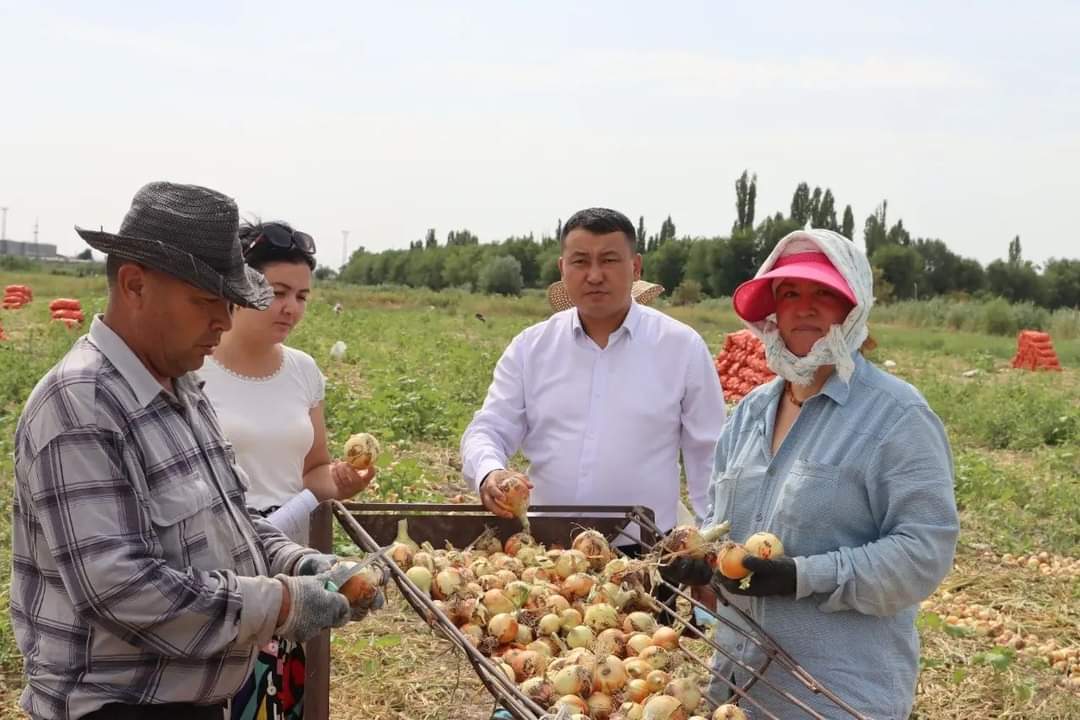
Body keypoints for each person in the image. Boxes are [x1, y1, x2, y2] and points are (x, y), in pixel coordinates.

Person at [10, 182, 382, 720]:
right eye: (208, 301)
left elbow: (235, 521)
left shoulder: (182, 389)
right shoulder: (81, 404)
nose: (225, 322)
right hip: (119, 706)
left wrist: (310, 565)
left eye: (229, 303)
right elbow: (122, 589)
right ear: (135, 285)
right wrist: (283, 601)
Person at [664, 229, 959, 719]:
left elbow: (924, 552)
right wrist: (704, 565)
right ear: (772, 313)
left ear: (853, 309)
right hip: (735, 688)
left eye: (824, 293)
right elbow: (723, 524)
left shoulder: (896, 416)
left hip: (834, 696)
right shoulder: (750, 413)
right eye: (790, 293)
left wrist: (803, 575)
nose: (804, 308)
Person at [460, 207, 726, 545]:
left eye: (610, 260)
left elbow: (710, 456)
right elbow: (489, 429)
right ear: (562, 269)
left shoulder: (680, 347)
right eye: (581, 261)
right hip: (546, 555)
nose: (595, 275)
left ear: (636, 267)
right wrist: (489, 472)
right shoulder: (531, 348)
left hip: (646, 553)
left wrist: (709, 547)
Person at [198, 220, 374, 719]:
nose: (291, 307)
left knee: (281, 698)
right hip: (218, 567)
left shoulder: (302, 370)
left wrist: (340, 481)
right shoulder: (194, 365)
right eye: (276, 292)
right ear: (238, 284)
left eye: (301, 296)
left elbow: (314, 472)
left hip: (290, 559)